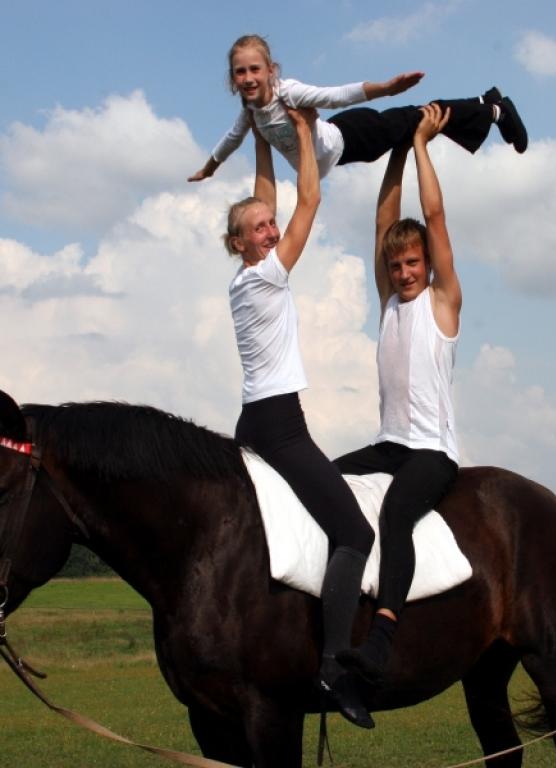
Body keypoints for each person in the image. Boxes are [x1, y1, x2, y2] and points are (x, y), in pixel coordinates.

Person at [225, 104, 375, 729]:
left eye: (269, 225)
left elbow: (269, 195)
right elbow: (308, 199)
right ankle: (335, 665)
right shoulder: (266, 278)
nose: (270, 228)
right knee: (356, 534)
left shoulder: (244, 278)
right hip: (280, 428)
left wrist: (261, 136)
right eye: (259, 228)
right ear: (239, 244)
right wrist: (306, 136)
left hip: (255, 424)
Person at [330, 103, 461, 686]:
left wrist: (427, 148)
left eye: (413, 263)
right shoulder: (388, 304)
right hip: (388, 444)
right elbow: (385, 220)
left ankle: (382, 634)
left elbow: (432, 215)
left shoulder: (441, 303)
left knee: (395, 515)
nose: (405, 271)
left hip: (432, 452)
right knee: (320, 482)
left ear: (428, 264)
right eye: (398, 264)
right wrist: (398, 151)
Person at [189, 33, 527, 183]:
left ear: (270, 70)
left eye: (254, 69)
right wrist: (209, 168)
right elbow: (230, 140)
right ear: (232, 78)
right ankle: (486, 103)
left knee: (423, 119)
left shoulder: (287, 93)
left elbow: (336, 96)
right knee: (418, 119)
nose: (248, 78)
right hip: (347, 144)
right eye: (240, 72)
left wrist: (387, 88)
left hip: (355, 136)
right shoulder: (250, 111)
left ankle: (496, 111)